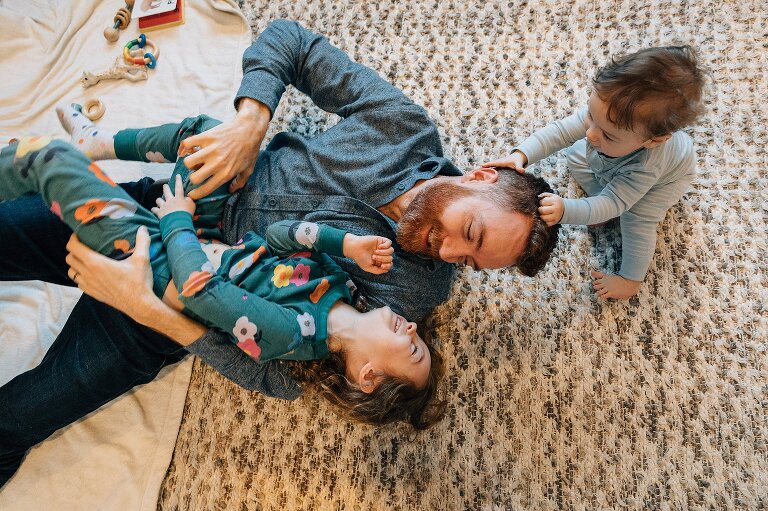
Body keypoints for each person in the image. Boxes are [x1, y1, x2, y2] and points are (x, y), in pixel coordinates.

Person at [0, 20, 559, 485]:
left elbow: (280, 354)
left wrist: (142, 304)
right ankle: (83, 150)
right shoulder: (403, 129)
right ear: (482, 177)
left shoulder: (417, 290)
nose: (448, 249)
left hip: (164, 304)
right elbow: (290, 41)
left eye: (467, 260)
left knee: (17, 424)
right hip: (186, 200)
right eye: (473, 232)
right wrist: (249, 125)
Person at [1, 109, 444, 430]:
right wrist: (344, 242)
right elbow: (276, 237)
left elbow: (198, 291)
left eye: (412, 350)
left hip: (160, 261)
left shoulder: (293, 335)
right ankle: (97, 141)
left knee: (49, 160)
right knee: (204, 134)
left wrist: (175, 219)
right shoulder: (339, 290)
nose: (412, 331)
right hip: (205, 235)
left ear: (367, 375)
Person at [485, 46, 706, 299]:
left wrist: (567, 210)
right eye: (590, 116)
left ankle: (630, 280)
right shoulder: (605, 118)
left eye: (608, 134)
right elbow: (559, 132)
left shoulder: (645, 166)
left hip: (663, 182)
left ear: (652, 141)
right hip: (612, 163)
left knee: (636, 217)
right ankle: (595, 204)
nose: (590, 133)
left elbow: (613, 203)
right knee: (576, 154)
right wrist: (520, 155)